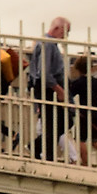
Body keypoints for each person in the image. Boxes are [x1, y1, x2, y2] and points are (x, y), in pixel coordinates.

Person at [27, 17, 70, 159]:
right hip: (48, 89)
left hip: (45, 87)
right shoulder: (48, 44)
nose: (66, 36)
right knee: (55, 123)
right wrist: (59, 89)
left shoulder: (45, 43)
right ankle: (44, 152)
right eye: (66, 31)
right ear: (58, 29)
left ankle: (38, 147)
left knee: (54, 123)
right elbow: (44, 73)